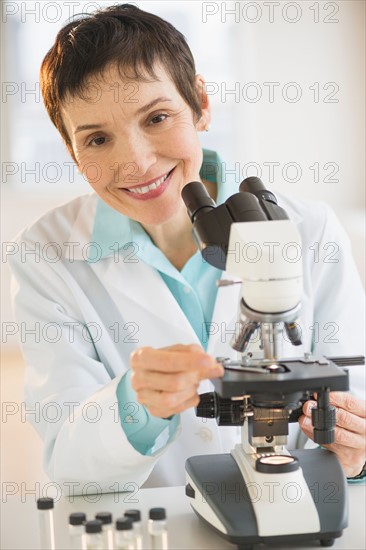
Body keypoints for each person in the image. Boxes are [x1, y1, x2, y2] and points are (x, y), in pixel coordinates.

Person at [9, 4, 365, 494]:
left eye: (156, 117)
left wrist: (358, 455)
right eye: (96, 139)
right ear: (72, 152)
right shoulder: (47, 254)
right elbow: (70, 463)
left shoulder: (311, 231)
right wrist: (135, 405)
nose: (135, 160)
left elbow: (358, 407)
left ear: (200, 102)